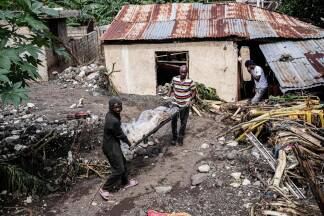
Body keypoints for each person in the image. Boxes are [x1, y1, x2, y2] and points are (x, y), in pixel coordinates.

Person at [100, 97, 137, 200]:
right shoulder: (113, 120)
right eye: (115, 107)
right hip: (110, 147)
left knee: (123, 163)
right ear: (111, 107)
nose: (118, 109)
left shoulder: (111, 114)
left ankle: (125, 182)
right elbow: (120, 135)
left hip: (113, 143)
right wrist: (130, 144)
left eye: (119, 107)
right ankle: (104, 188)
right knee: (119, 169)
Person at [168, 65, 196, 146]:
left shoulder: (190, 81)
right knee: (173, 120)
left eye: (184, 72)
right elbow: (171, 87)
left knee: (183, 122)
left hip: (185, 104)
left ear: (187, 72)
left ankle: (180, 137)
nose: (183, 74)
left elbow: (194, 91)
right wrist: (169, 96)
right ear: (179, 72)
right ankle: (174, 137)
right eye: (181, 72)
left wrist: (190, 100)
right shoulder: (175, 79)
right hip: (175, 103)